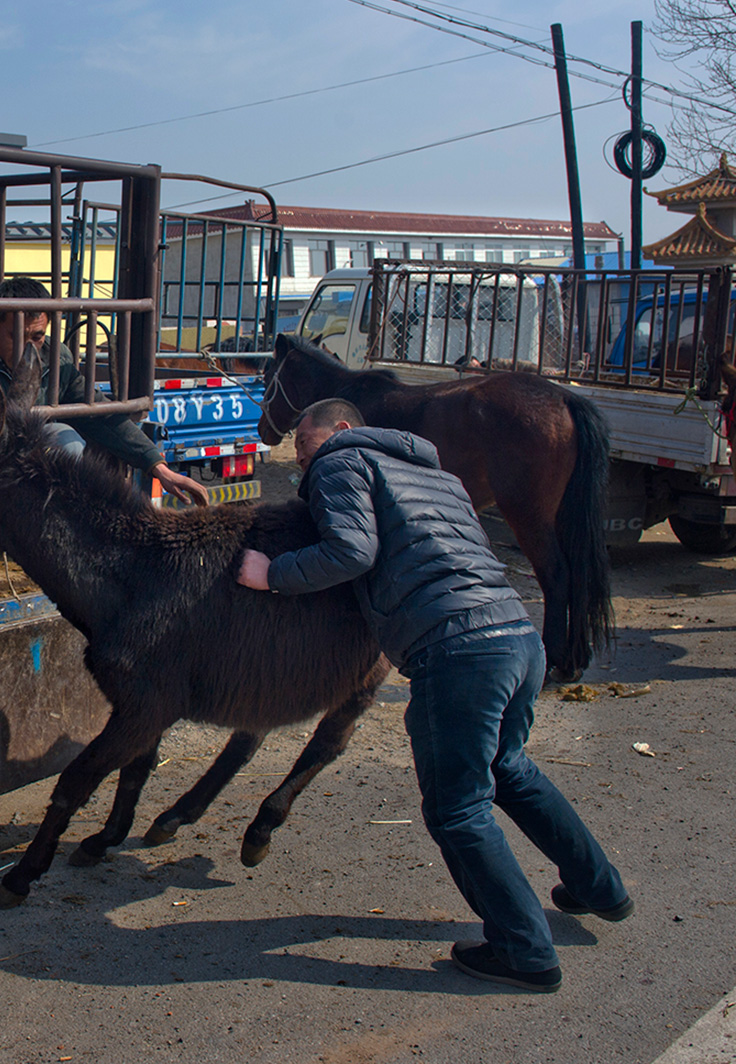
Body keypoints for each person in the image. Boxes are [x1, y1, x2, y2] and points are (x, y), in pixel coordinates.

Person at [236, 398, 631, 993]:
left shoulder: (343, 462)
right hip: (516, 635)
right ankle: (599, 887)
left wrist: (272, 575)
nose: (300, 462)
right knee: (510, 769)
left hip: (459, 650)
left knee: (457, 808)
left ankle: (524, 951)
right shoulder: (435, 473)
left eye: (304, 444)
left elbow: (351, 551)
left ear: (343, 430)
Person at [0, 276, 211, 568]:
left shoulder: (58, 358)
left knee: (66, 438)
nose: (29, 347)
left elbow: (100, 415)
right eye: (16, 336)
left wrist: (158, 467)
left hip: (15, 468)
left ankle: (34, 530)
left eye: (37, 337)